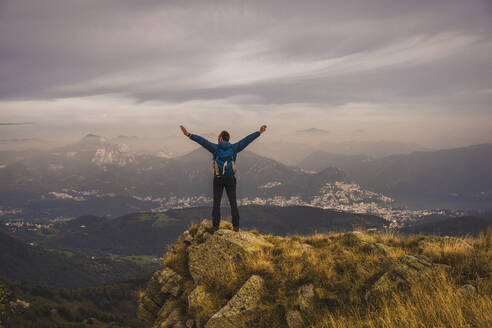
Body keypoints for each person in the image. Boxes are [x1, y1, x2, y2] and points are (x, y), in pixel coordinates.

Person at [180, 125, 267, 232]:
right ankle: (236, 226)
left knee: (217, 203)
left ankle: (215, 226)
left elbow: (202, 141)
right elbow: (247, 140)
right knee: (233, 203)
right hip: (230, 179)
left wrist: (189, 134)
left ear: (221, 138)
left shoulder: (215, 148)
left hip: (218, 179)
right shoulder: (234, 148)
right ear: (228, 139)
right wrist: (259, 132)